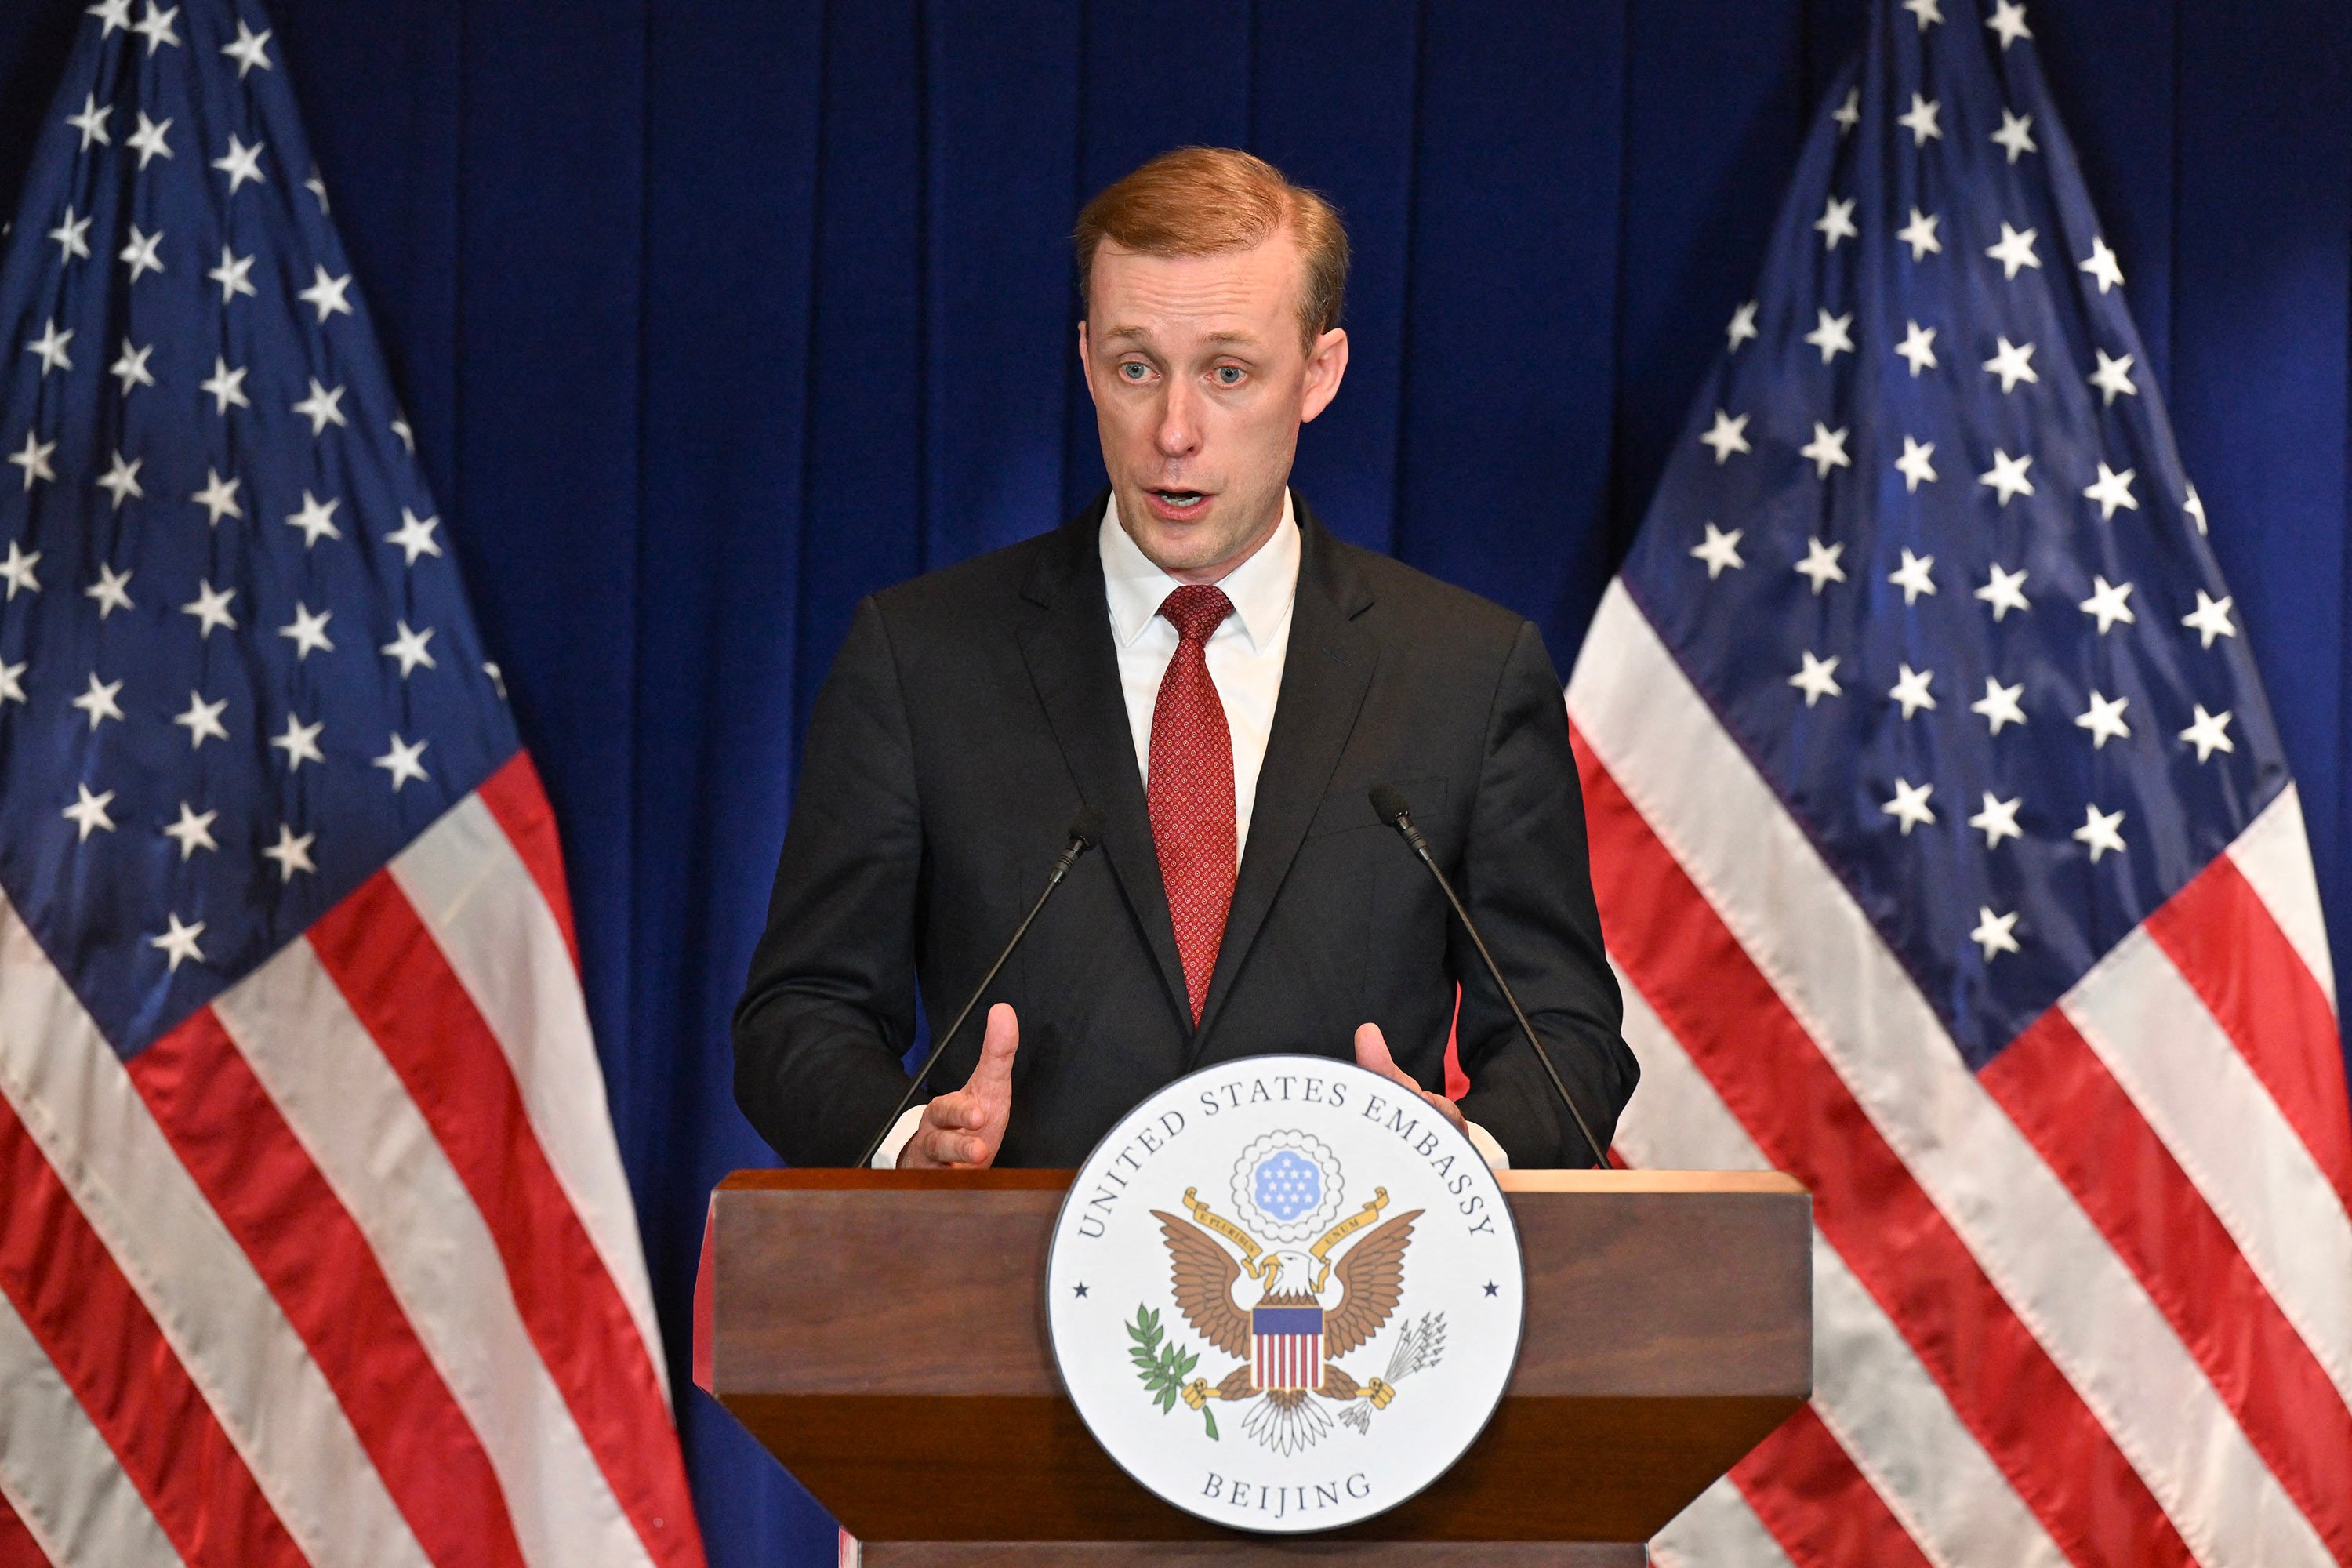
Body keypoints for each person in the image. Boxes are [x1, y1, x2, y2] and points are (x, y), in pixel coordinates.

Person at [733, 147, 1635, 1171]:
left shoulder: (1465, 673)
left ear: (1319, 375)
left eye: (1229, 373)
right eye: (1135, 368)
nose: (1173, 431)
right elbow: (798, 1013)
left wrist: (1466, 1149)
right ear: (1086, 363)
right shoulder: (922, 657)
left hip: (1350, 1286)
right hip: (1005, 1298)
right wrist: (906, 1142)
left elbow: (1568, 1035)